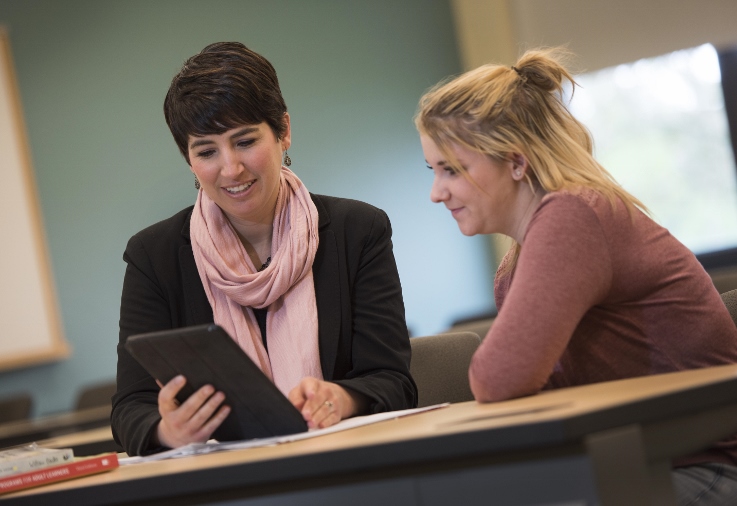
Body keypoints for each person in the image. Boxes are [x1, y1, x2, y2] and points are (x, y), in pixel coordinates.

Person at [415, 47, 737, 504]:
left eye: (453, 169)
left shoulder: (573, 216)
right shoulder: (517, 263)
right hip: (635, 466)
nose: (436, 192)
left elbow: (498, 379)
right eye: (433, 170)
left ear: (516, 162)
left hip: (702, 470)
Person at [112, 42, 416, 456]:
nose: (231, 168)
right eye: (206, 151)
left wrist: (341, 399)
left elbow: (392, 381)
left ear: (283, 130)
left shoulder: (357, 231)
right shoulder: (154, 257)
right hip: (224, 484)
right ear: (188, 158)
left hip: (346, 465)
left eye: (244, 141)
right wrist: (170, 432)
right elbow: (131, 408)